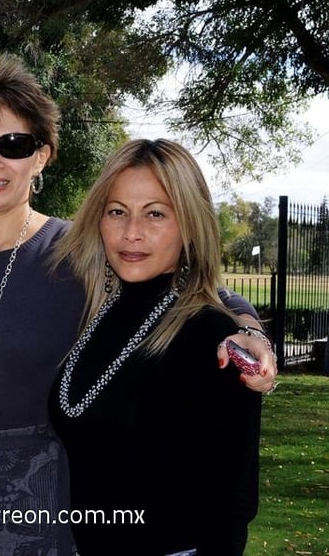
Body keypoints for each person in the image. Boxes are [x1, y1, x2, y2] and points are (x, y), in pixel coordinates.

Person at [0, 58, 274, 555]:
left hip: (53, 510)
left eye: (14, 145)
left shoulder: (76, 253)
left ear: (42, 156)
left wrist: (252, 332)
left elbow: (191, 290)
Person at [48, 138, 263, 555]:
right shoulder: (98, 314)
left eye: (156, 214)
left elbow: (233, 506)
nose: (132, 233)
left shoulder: (212, 336)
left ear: (190, 225)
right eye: (117, 212)